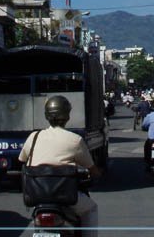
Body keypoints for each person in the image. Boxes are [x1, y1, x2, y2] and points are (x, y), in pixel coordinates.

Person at [18, 95, 101, 236]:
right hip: (66, 195)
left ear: (46, 116)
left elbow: (22, 159)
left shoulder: (34, 137)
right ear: (67, 115)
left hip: (37, 196)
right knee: (91, 209)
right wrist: (98, 174)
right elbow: (92, 169)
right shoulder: (75, 140)